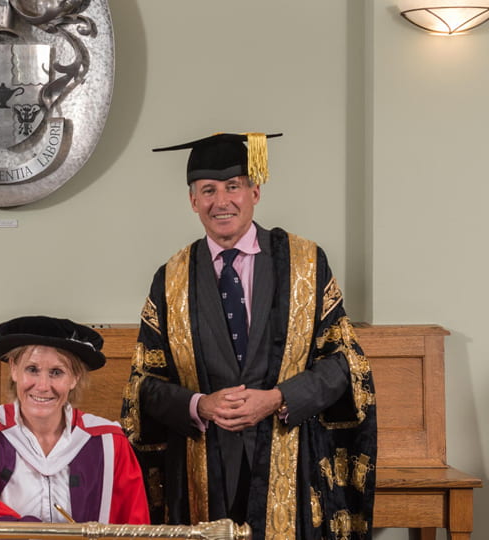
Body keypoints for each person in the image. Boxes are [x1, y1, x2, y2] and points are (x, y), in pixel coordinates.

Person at [120, 133, 377, 539]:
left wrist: (278, 398)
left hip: (289, 457)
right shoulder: (171, 278)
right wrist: (200, 405)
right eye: (207, 190)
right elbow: (145, 386)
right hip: (202, 463)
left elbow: (345, 365)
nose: (221, 202)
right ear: (192, 201)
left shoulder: (306, 263)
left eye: (233, 187)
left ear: (255, 191)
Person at [0, 316, 150, 524]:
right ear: (13, 368)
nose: (42, 386)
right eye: (32, 369)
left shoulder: (109, 443)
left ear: (75, 378)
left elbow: (135, 528)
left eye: (56, 372)